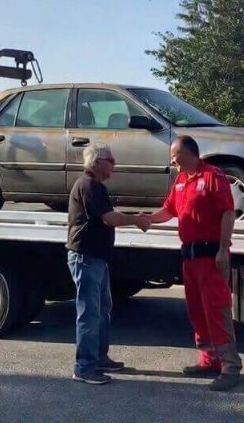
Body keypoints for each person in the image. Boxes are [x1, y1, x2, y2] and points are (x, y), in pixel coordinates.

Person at [146, 135, 242, 391]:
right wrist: (145, 219)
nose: (173, 162)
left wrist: (223, 249)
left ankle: (230, 366)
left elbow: (227, 213)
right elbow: (169, 211)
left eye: (175, 157)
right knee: (197, 311)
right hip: (189, 257)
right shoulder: (180, 181)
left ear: (190, 153)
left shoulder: (213, 176)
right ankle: (208, 360)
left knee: (216, 309)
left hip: (211, 256)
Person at [66, 142, 150, 385]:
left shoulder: (96, 187)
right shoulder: (89, 185)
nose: (114, 164)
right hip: (86, 257)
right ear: (96, 162)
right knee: (89, 314)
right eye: (110, 160)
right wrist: (136, 220)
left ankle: (99, 358)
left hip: (96, 258)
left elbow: (107, 216)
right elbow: (109, 218)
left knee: (102, 311)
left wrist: (135, 217)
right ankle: (84, 368)